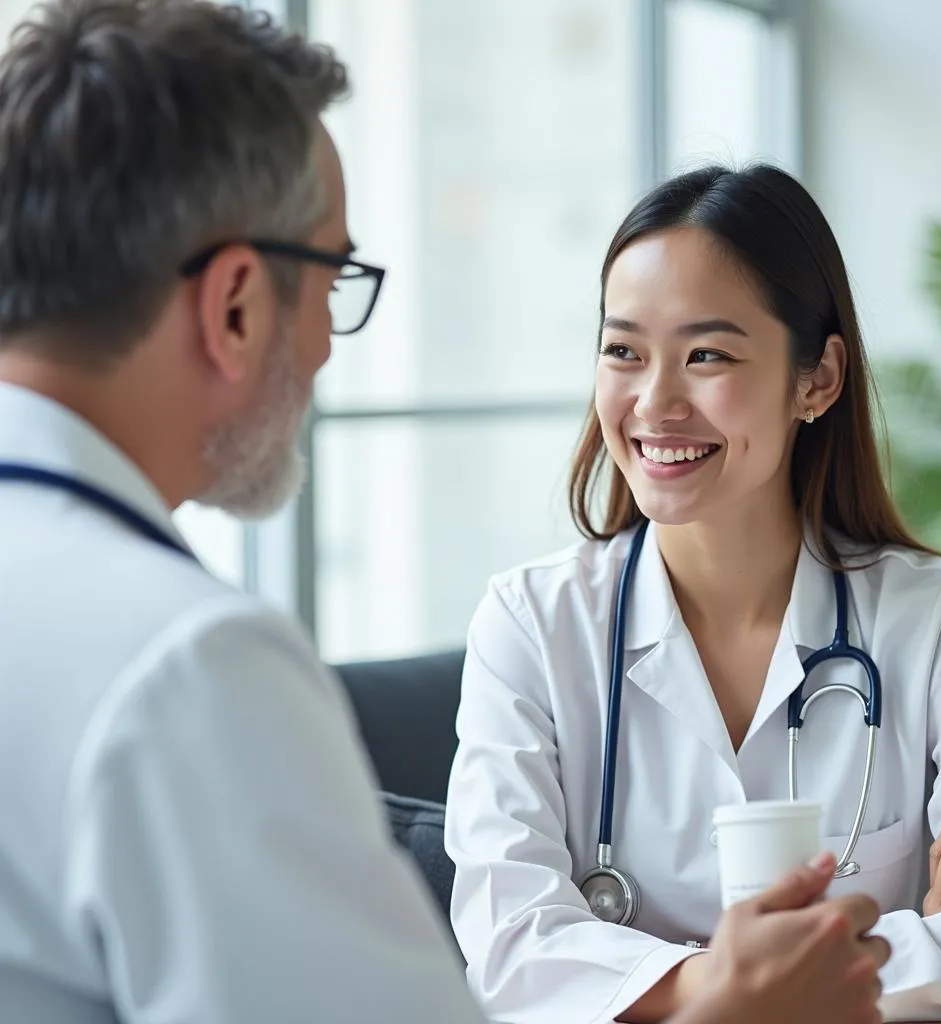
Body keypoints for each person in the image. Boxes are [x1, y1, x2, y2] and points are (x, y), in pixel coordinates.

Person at [0, 2, 892, 1023]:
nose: (333, 345)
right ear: (238, 304)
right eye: (335, 280)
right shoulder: (189, 670)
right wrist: (723, 1007)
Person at [444, 163, 941, 1023]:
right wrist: (895, 953)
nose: (654, 401)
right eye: (622, 351)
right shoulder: (531, 626)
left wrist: (659, 989)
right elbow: (511, 948)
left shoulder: (940, 619)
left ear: (817, 380)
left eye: (707, 354)